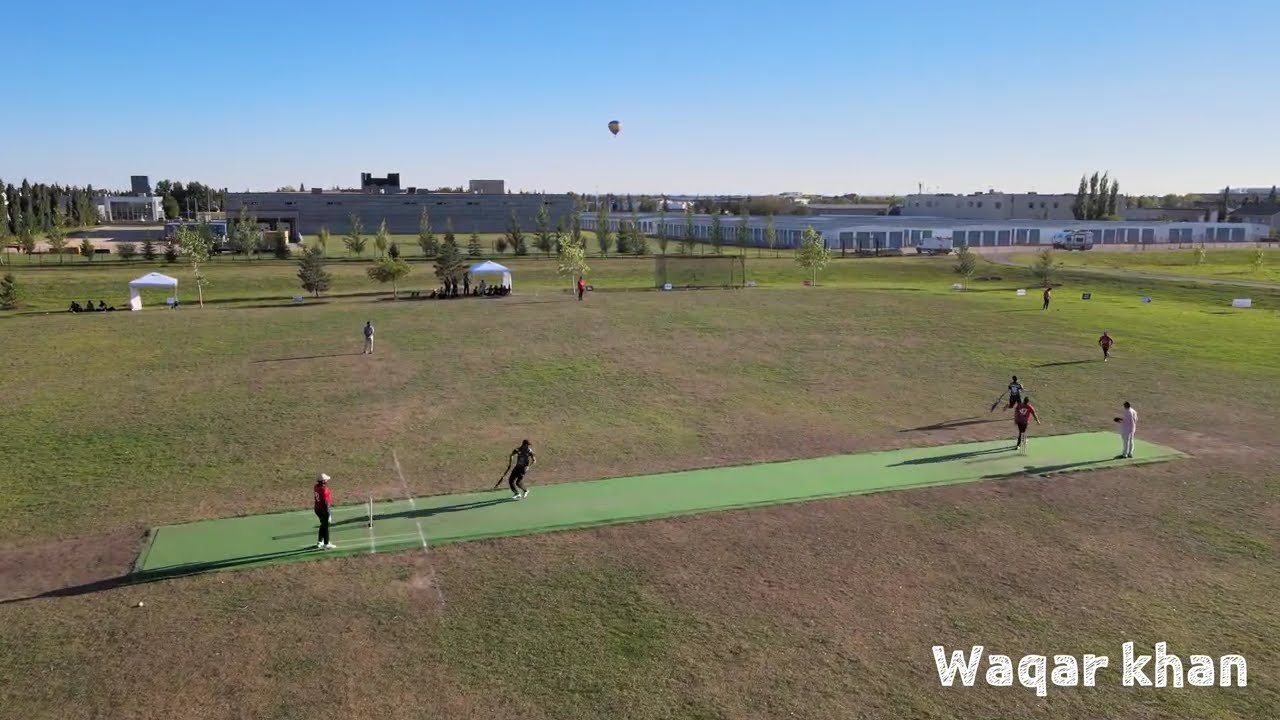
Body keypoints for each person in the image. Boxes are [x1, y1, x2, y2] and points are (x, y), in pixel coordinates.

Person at [313, 473, 336, 550]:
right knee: (326, 525)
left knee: (323, 524)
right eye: (325, 479)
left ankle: (320, 541)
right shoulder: (325, 489)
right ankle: (326, 543)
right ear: (323, 481)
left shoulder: (316, 487)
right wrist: (328, 513)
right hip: (323, 509)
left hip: (317, 509)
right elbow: (326, 502)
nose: (327, 480)